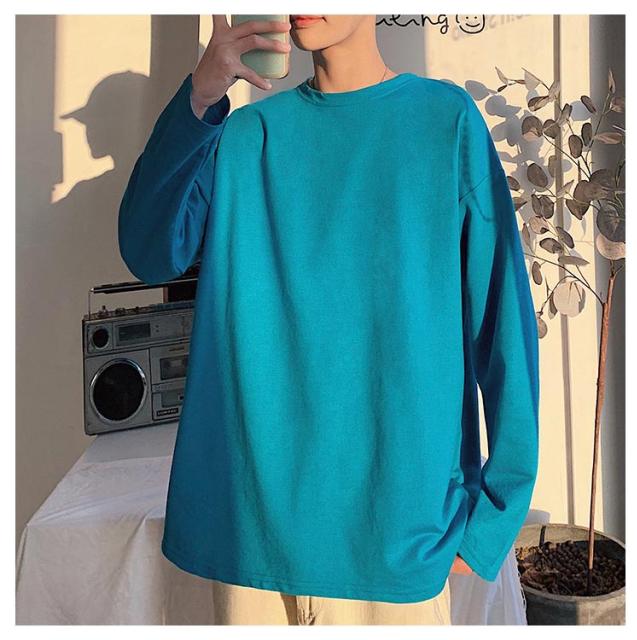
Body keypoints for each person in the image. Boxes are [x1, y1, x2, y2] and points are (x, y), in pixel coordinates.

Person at [118, 14, 539, 625]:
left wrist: (498, 513)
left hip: (393, 539)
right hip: (251, 538)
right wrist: (201, 98)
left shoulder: (443, 122)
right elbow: (149, 251)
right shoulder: (248, 135)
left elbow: (503, 323)